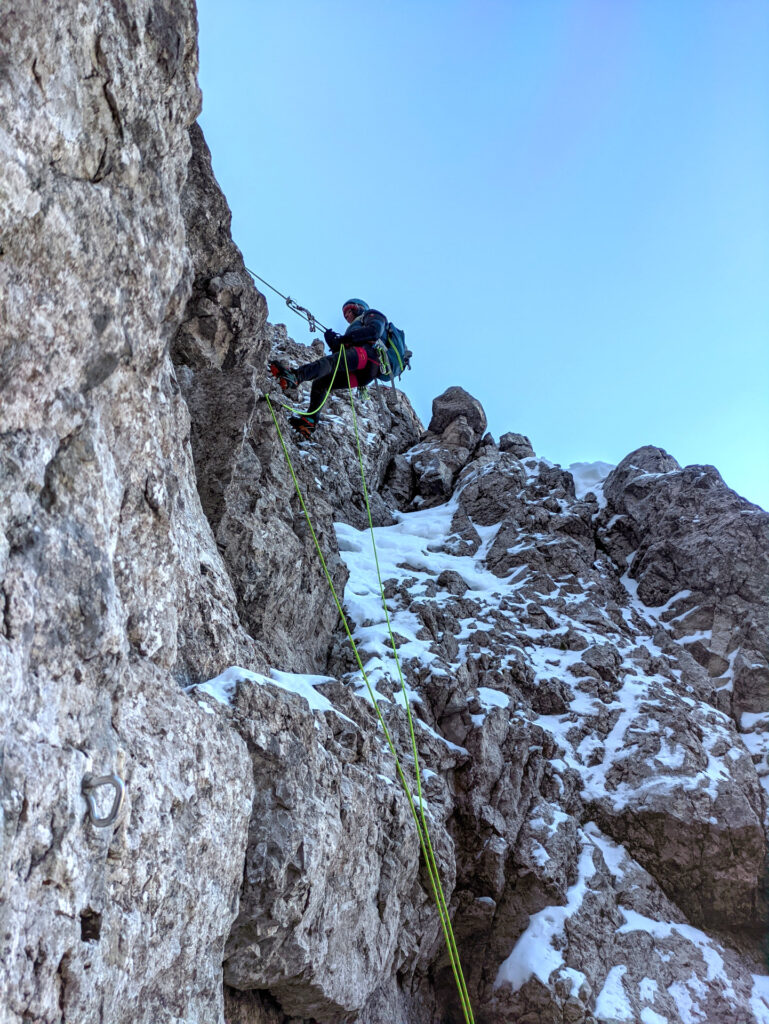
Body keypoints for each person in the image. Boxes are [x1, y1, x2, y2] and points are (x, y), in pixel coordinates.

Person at [269, 299, 387, 440]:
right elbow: (345, 351)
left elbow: (374, 332)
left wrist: (345, 339)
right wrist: (334, 341)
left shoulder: (372, 315)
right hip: (363, 374)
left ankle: (295, 376)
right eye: (345, 314)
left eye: (349, 311)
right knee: (322, 382)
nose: (347, 316)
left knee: (329, 363)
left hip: (368, 357)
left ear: (359, 309)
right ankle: (310, 421)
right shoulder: (355, 329)